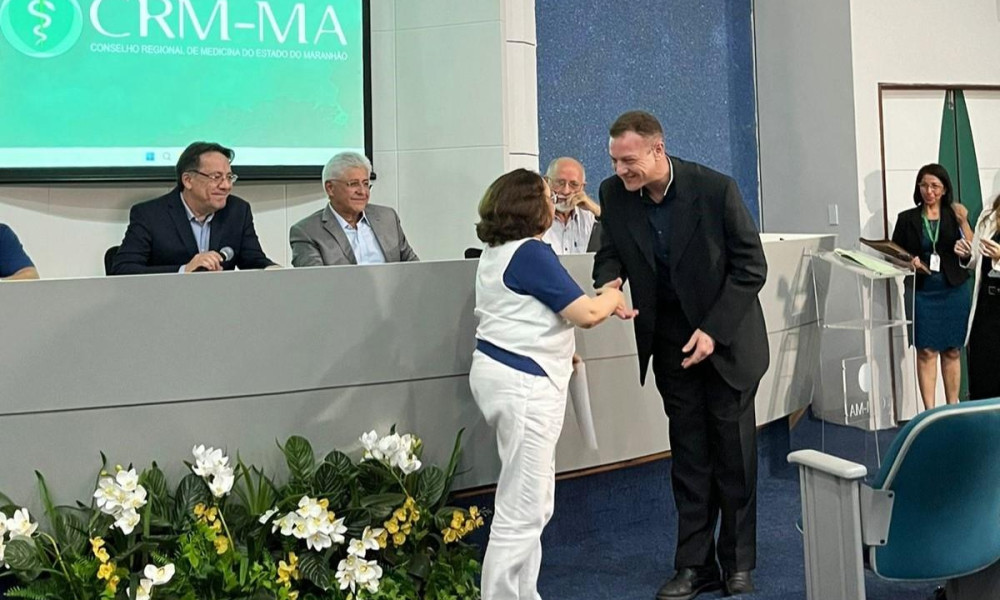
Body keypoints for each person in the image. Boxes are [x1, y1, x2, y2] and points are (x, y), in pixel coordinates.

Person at [592, 111, 768, 599]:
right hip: (670, 346)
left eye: (629, 161)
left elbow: (752, 267)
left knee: (734, 459)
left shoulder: (715, 189)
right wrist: (609, 282)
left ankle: (738, 564)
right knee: (689, 461)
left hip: (727, 344)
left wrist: (713, 330)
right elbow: (610, 251)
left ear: (657, 150)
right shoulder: (613, 195)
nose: (621, 170)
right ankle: (694, 565)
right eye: (615, 161)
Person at [470, 168, 628, 600]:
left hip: (508, 375)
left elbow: (524, 315)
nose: (553, 199)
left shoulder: (497, 251)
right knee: (523, 508)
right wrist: (613, 296)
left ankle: (524, 593)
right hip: (525, 385)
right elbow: (588, 314)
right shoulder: (531, 254)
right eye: (545, 192)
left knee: (532, 500)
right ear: (529, 205)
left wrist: (560, 347)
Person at [111, 142, 278, 275]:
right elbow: (123, 270)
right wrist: (185, 270)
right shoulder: (150, 215)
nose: (226, 186)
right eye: (216, 177)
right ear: (188, 180)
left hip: (221, 307)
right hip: (165, 307)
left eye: (229, 177)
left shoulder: (238, 211)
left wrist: (274, 270)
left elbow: (254, 261)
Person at [891, 164, 972, 410]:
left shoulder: (953, 214)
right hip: (922, 291)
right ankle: (930, 412)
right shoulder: (907, 219)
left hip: (953, 289)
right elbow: (894, 252)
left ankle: (952, 408)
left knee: (952, 351)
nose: (929, 191)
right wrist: (908, 260)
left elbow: (970, 245)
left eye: (935, 186)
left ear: (944, 188)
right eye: (924, 185)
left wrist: (964, 221)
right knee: (925, 351)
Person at [290, 152, 418, 266]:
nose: (362, 192)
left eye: (366, 184)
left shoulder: (388, 218)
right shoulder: (307, 232)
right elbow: (315, 284)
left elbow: (414, 268)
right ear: (330, 188)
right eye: (354, 184)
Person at [955, 193, 1000, 400]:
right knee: (983, 371)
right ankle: (984, 428)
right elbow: (978, 260)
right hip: (986, 305)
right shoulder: (990, 211)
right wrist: (966, 254)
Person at [541, 157, 601, 254]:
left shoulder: (589, 216)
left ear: (583, 187)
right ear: (546, 181)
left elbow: (619, 232)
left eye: (574, 184)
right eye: (559, 183)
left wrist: (596, 210)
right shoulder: (535, 216)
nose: (566, 191)